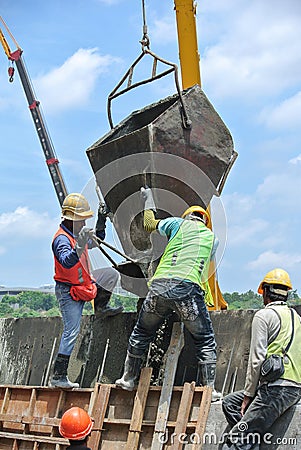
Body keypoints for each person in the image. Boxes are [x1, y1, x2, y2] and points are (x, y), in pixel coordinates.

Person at [115, 187, 221, 401]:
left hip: (159, 287)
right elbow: (204, 272)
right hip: (187, 290)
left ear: (187, 217)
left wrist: (147, 200)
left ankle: (128, 378)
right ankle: (210, 390)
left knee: (142, 332)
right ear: (204, 220)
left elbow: (148, 225)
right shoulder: (212, 239)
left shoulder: (176, 224)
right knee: (205, 340)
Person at [222, 268, 301, 450]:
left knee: (235, 441)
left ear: (265, 292)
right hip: (293, 390)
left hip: (275, 390)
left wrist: (248, 395)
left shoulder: (264, 316)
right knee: (229, 402)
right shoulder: (296, 318)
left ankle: (246, 438)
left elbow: (256, 360)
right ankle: (252, 437)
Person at [50, 193, 123, 388]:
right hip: (69, 291)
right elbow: (66, 262)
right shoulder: (61, 239)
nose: (83, 224)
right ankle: (58, 376)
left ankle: (100, 307)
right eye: (81, 220)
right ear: (72, 219)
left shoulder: (76, 234)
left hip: (84, 284)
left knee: (110, 275)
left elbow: (97, 241)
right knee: (71, 331)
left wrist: (101, 221)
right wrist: (80, 246)